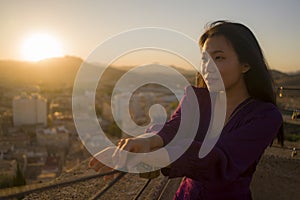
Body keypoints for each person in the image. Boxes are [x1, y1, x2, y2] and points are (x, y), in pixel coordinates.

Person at [89, 21, 284, 199]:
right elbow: (175, 126)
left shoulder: (264, 116)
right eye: (205, 60)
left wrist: (154, 157)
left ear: (246, 64)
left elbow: (219, 160)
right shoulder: (197, 99)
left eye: (219, 58)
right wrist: (143, 142)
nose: (208, 68)